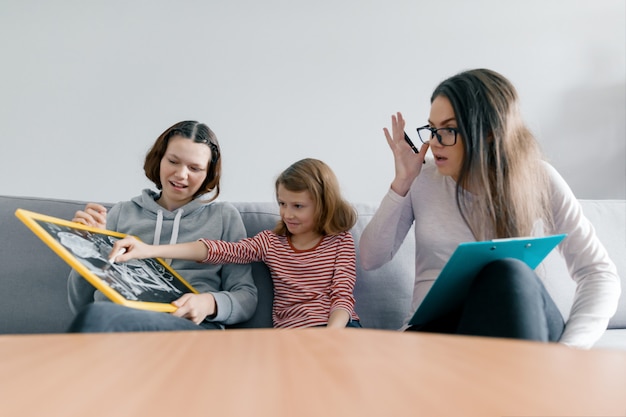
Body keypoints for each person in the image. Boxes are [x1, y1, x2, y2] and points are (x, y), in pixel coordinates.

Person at [359, 68, 620, 349]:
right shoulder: (422, 180)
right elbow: (371, 258)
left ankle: (527, 382)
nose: (434, 142)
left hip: (515, 319)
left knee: (506, 274)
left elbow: (598, 274)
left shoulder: (538, 178)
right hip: (439, 332)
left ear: (489, 133)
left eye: (447, 130)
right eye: (432, 129)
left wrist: (572, 349)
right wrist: (402, 183)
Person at [110, 158, 361, 329]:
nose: (287, 214)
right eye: (282, 204)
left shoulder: (340, 242)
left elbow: (342, 297)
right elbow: (218, 250)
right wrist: (151, 250)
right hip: (293, 335)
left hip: (339, 328)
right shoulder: (270, 243)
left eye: (298, 206)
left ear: (324, 204)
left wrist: (331, 335)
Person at [67, 120, 257, 332]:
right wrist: (87, 251)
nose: (181, 174)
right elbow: (80, 305)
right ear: (159, 160)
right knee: (98, 315)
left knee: (100, 317)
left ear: (208, 174)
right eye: (173, 161)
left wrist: (209, 303)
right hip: (117, 322)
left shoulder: (223, 217)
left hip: (187, 326)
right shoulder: (122, 213)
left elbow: (246, 296)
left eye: (195, 168)